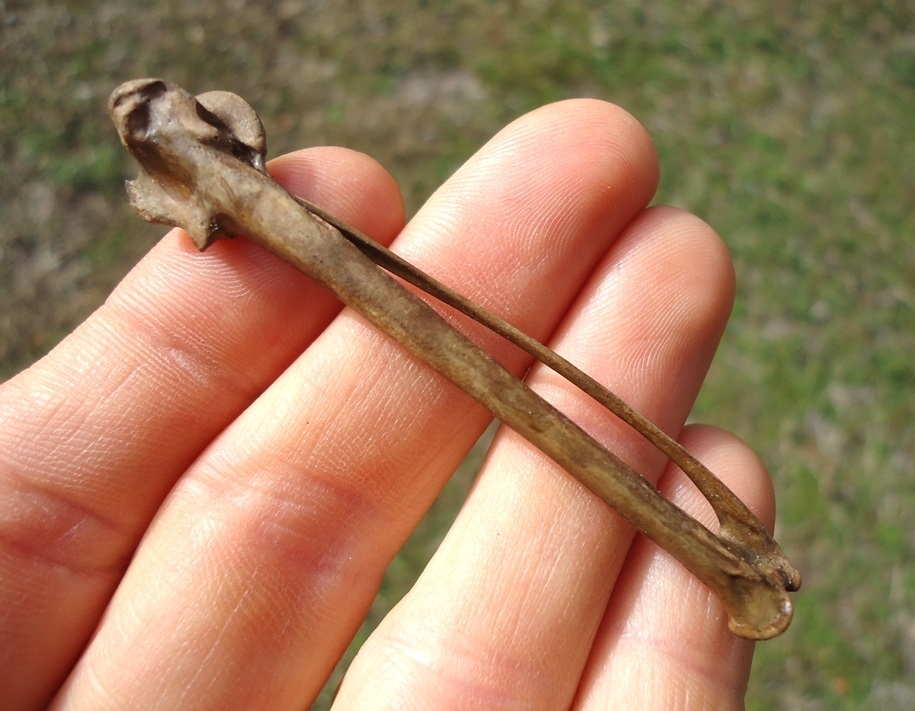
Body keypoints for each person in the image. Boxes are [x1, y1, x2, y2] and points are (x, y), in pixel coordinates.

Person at [0, 98, 775, 709]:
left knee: (517, 389)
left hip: (337, 261)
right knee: (510, 391)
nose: (140, 110)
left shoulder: (227, 150)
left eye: (153, 106)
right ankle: (721, 562)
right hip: (325, 259)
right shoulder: (193, 185)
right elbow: (191, 216)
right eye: (137, 120)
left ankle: (722, 559)